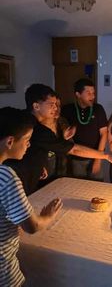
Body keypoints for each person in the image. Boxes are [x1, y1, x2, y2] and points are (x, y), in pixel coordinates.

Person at [5, 84, 112, 195]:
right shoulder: (37, 129)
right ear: (36, 106)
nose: (55, 108)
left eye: (56, 104)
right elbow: (74, 150)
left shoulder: (22, 118)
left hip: (31, 175)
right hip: (16, 182)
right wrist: (106, 156)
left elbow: (34, 149)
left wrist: (38, 165)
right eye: (51, 104)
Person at [0, 107, 62, 286]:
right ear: (10, 141)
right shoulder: (6, 176)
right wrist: (48, 216)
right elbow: (32, 226)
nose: (28, 145)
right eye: (27, 140)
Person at [61, 78, 108, 181]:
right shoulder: (67, 110)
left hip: (96, 156)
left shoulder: (98, 109)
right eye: (88, 93)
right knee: (79, 188)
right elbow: (62, 131)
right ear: (78, 94)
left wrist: (98, 159)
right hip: (75, 159)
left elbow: (104, 134)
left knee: (97, 187)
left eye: (93, 93)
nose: (93, 96)